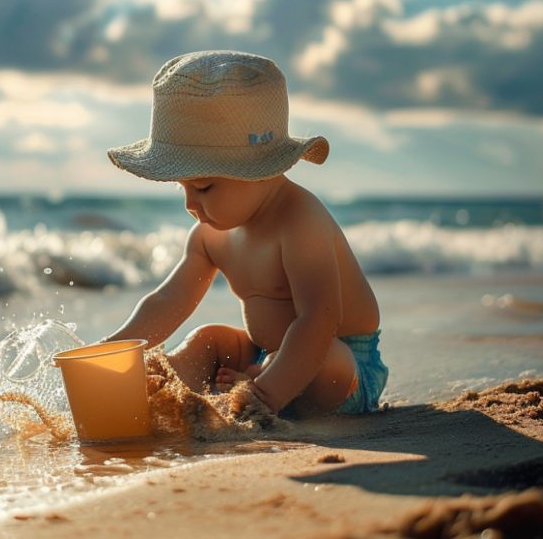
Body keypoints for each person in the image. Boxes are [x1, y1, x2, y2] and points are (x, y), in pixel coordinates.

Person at [103, 50, 388, 417]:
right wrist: (115, 348)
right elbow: (168, 302)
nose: (191, 204)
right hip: (258, 354)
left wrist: (265, 392)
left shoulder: (301, 221)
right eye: (182, 188)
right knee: (209, 339)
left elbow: (319, 319)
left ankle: (258, 396)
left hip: (342, 365)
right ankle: (163, 392)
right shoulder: (209, 235)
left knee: (327, 356)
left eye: (204, 187)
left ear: (261, 170)